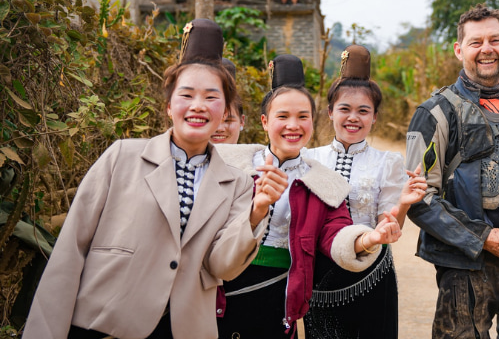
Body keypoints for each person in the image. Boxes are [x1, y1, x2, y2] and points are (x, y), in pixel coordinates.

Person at [22, 19, 285, 339]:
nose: (198, 106)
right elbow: (70, 250)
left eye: (212, 97)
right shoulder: (122, 157)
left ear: (225, 109)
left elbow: (222, 267)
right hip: (103, 324)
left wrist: (257, 210)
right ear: (168, 106)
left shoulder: (239, 184)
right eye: (186, 94)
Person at [216, 54, 403, 338]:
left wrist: (369, 238)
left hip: (282, 291)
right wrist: (257, 208)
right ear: (264, 121)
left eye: (302, 117)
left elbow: (334, 233)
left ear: (314, 122)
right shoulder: (232, 165)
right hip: (222, 288)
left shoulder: (323, 182)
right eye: (283, 116)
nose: (293, 125)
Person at [405, 3, 499, 339]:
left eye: (494, 40)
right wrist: (486, 238)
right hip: (465, 262)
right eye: (476, 42)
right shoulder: (434, 113)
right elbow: (417, 198)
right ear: (459, 50)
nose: (486, 49)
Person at [303, 44, 427, 339]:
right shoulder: (309, 160)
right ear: (330, 112)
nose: (353, 118)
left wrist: (404, 204)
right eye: (344, 109)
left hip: (373, 273)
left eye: (363, 111)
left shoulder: (388, 163)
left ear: (374, 118)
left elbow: (390, 224)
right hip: (321, 274)